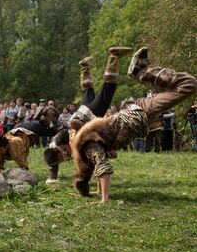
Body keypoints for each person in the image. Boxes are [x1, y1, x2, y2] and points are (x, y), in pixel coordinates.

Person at [70, 47, 197, 202]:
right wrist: (96, 190)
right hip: (137, 115)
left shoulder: (87, 147)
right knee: (180, 87)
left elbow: (102, 167)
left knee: (188, 84)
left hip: (137, 114)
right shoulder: (86, 146)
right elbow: (98, 168)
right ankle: (138, 72)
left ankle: (139, 71)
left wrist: (104, 199)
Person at [43, 47, 134, 183]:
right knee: (88, 91)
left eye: (61, 159)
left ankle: (114, 56)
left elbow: (88, 146)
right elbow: (53, 166)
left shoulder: (66, 143)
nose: (63, 160)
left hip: (89, 118)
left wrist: (107, 150)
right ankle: (84, 66)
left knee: (108, 90)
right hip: (81, 114)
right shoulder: (53, 149)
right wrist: (52, 178)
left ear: (60, 150)